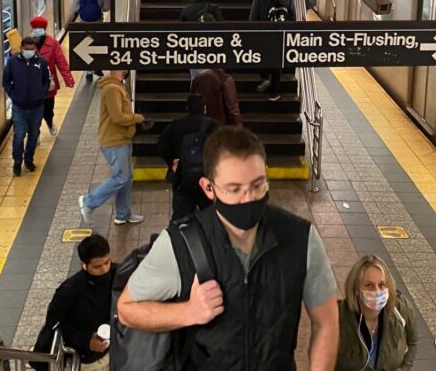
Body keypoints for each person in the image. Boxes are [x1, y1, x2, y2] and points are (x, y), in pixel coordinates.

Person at [116, 126, 339, 371]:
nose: (249, 198)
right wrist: (188, 312)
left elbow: (325, 322)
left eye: (258, 185)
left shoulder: (300, 238)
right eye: (234, 189)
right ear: (208, 188)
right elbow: (127, 309)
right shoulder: (180, 243)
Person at [79, 71, 146, 225]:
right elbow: (117, 117)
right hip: (114, 141)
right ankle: (88, 202)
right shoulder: (112, 89)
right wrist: (137, 118)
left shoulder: (118, 86)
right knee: (121, 176)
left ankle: (123, 214)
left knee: (127, 178)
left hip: (122, 139)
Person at [40, 235, 115, 371]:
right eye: (97, 266)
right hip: (89, 361)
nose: (104, 270)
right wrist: (86, 341)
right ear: (84, 265)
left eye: (107, 262)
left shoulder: (119, 275)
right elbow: (55, 324)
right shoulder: (69, 291)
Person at [336, 255, 419, 371]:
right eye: (369, 286)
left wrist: (404, 368)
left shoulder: (400, 309)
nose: (377, 291)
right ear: (356, 290)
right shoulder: (337, 316)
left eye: (382, 285)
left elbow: (412, 342)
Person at [157, 94, 217, 222]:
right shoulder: (212, 125)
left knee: (180, 218)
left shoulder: (176, 125)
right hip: (206, 177)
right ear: (204, 108)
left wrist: (172, 160)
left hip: (182, 178)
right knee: (211, 216)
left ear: (187, 108)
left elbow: (161, 145)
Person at [2, 36, 50, 176]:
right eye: (27, 49)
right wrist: (14, 96)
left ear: (35, 49)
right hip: (19, 107)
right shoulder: (12, 62)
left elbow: (46, 80)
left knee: (33, 135)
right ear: (21, 48)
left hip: (37, 107)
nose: (29, 51)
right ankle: (17, 162)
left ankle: (29, 159)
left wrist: (41, 93)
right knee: (19, 135)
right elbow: (6, 81)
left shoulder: (41, 62)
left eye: (32, 49)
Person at [249, 0, 296, 101]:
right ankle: (274, 93)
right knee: (277, 59)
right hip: (281, 32)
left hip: (264, 32)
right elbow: (293, 15)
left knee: (262, 54)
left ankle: (265, 77)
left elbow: (253, 16)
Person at [30, 16, 74, 137]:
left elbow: (61, 62)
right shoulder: (27, 43)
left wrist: (68, 79)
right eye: (35, 27)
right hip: (32, 85)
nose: (37, 30)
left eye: (39, 28)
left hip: (48, 84)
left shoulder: (52, 43)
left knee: (48, 111)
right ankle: (35, 134)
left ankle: (50, 123)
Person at [74, 0, 110, 80]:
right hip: (98, 23)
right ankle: (98, 66)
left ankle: (89, 72)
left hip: (84, 23)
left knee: (86, 44)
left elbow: (75, 8)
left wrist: (83, 11)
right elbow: (107, 8)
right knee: (97, 43)